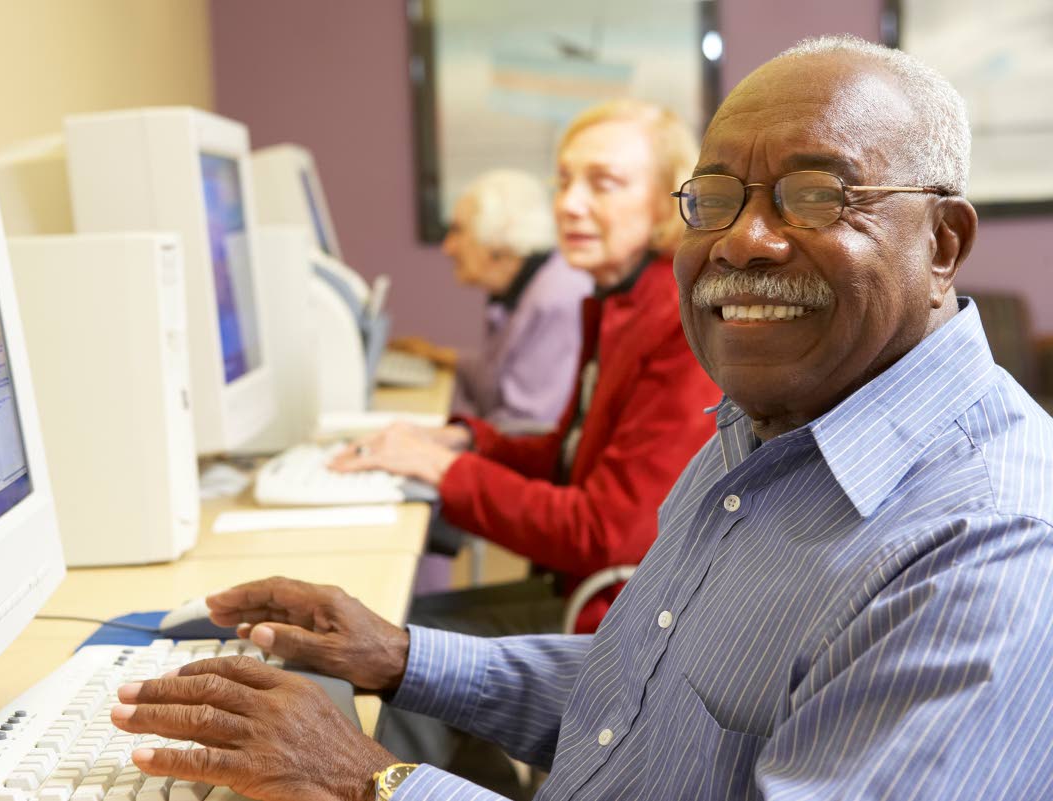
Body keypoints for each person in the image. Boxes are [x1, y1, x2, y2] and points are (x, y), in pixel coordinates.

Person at [109, 36, 1053, 800]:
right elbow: (644, 700)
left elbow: (600, 531)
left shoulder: (987, 551)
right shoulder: (766, 424)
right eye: (716, 197)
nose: (747, 239)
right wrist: (401, 656)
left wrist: (375, 780)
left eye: (817, 195)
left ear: (943, 242)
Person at [333, 100, 720, 638]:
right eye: (563, 182)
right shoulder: (617, 301)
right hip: (579, 594)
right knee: (369, 630)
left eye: (603, 183)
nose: (570, 205)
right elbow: (569, 458)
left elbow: (605, 531)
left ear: (666, 204)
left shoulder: (678, 323)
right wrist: (465, 444)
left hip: (619, 633)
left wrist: (445, 471)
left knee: (372, 649)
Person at [392, 169, 592, 431]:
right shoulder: (525, 289)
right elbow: (499, 377)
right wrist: (439, 355)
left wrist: (440, 443)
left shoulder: (556, 298)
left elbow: (528, 427)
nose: (448, 247)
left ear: (498, 240)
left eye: (457, 231)